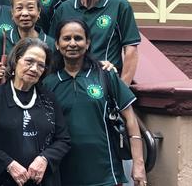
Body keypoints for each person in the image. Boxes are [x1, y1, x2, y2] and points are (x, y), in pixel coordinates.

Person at [43, 19, 146, 186]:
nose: (72, 43)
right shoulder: (48, 83)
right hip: (63, 171)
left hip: (105, 171)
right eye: (66, 38)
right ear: (57, 44)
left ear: (87, 43)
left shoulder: (105, 75)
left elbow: (131, 119)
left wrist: (138, 164)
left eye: (78, 38)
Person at [0, 38, 70, 186]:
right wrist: (8, 164)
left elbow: (63, 139)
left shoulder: (49, 99)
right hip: (1, 180)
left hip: (42, 180)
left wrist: (44, 159)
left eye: (40, 65)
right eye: (29, 61)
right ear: (16, 60)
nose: (34, 68)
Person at [50, 0, 141, 85]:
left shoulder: (119, 5)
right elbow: (54, 48)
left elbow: (131, 49)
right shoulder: (64, 9)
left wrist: (123, 89)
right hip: (70, 82)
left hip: (105, 81)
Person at [0, 0, 56, 82]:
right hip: (6, 95)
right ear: (12, 12)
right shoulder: (0, 40)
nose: (24, 13)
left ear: (39, 11)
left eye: (30, 8)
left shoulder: (50, 43)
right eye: (19, 8)